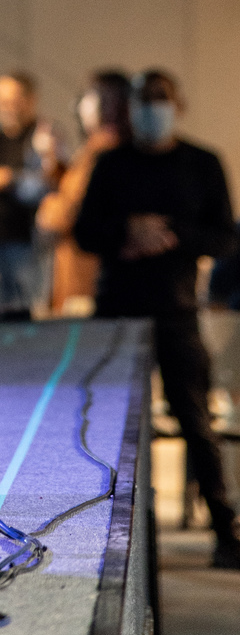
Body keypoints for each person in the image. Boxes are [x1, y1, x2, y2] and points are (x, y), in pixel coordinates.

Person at [75, 69, 240, 569]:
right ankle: (103, 531)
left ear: (177, 105)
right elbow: (84, 232)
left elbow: (224, 238)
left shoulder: (202, 163)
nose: (152, 109)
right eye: (143, 100)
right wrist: (128, 230)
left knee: (196, 420)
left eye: (160, 99)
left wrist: (170, 233)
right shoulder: (111, 164)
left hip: (176, 310)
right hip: (118, 313)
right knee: (109, 426)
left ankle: (225, 528)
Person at [35, 71, 130, 315]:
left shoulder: (102, 151)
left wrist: (47, 208)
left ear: (108, 103)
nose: (79, 106)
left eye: (88, 97)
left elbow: (68, 212)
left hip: (85, 281)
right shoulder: (103, 149)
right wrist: (56, 164)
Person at [0, 71, 62, 312]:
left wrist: (9, 179)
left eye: (13, 100)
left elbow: (52, 184)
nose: (7, 107)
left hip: (28, 246)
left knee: (27, 312)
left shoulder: (43, 137)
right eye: (2, 100)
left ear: (31, 99)